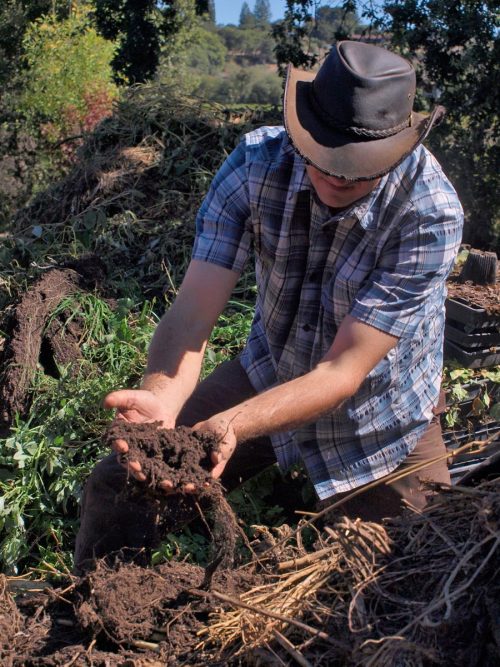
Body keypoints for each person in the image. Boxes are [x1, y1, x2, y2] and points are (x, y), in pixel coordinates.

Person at [74, 41, 463, 572]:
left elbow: (342, 372)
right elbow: (192, 314)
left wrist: (232, 424)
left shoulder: (428, 212)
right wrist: (163, 398)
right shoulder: (255, 166)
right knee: (123, 483)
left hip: (381, 413)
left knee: (422, 567)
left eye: (359, 168)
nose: (339, 176)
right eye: (326, 157)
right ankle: (94, 617)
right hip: (272, 366)